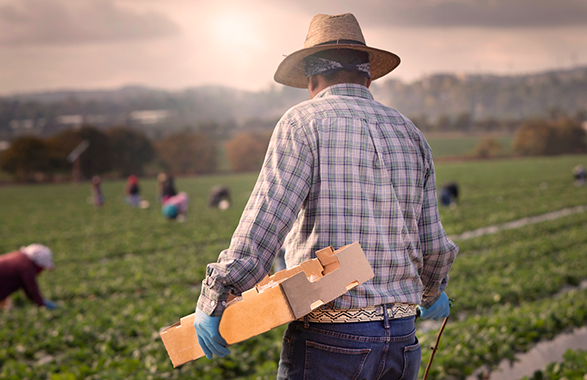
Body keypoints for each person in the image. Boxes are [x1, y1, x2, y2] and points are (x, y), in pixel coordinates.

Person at [193, 13, 458, 380]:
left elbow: (265, 224)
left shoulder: (302, 123)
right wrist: (431, 293)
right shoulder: (409, 132)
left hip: (330, 336)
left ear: (312, 79)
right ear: (367, 76)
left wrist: (217, 294)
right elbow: (435, 246)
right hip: (401, 338)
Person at [0, 244, 57, 310]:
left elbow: (28, 290)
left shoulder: (20, 257)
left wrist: (40, 302)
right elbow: (32, 290)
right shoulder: (26, 266)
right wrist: (43, 304)